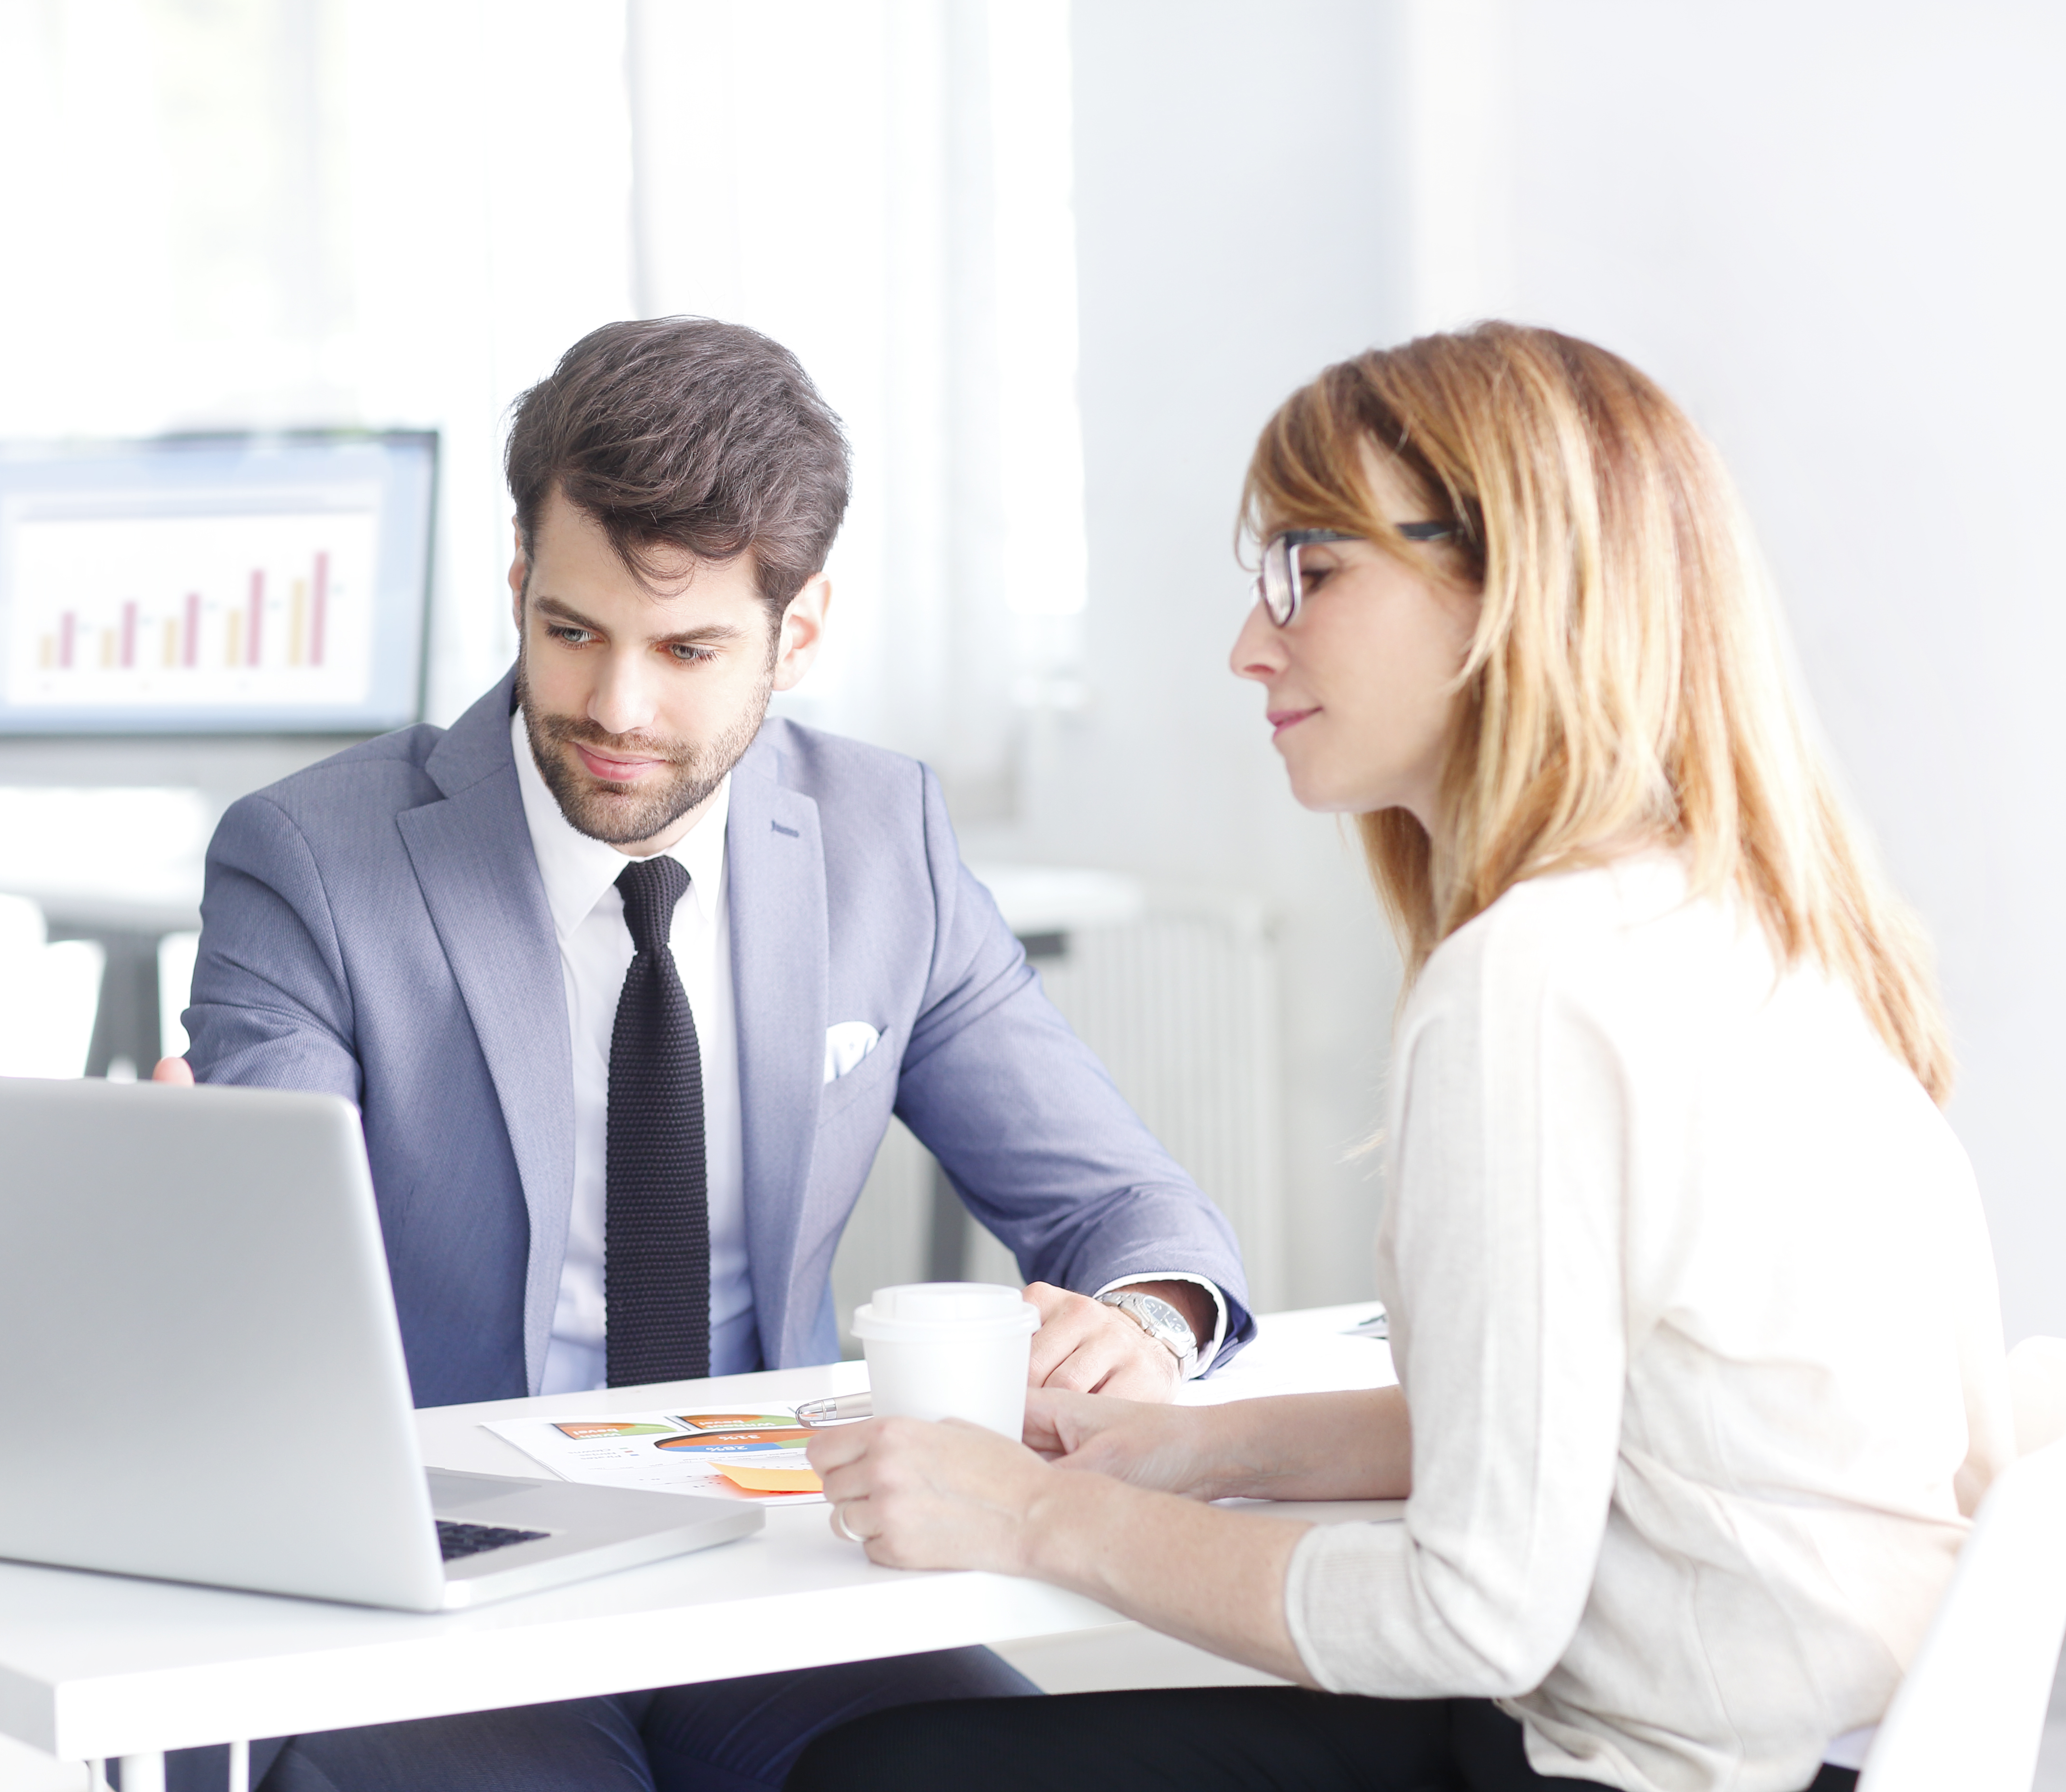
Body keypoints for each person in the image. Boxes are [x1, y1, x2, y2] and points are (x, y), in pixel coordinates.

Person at [789, 323, 2015, 1792]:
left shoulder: (1534, 982)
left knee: (888, 1775)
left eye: (1313, 569)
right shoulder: (1757, 923)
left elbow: (1473, 1611)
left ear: (1507, 588)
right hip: (1820, 1743)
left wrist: (1037, 1518)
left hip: (1656, 1769)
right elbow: (1568, 1431)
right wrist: (1183, 1453)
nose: (1253, 643)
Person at [152, 316, 1257, 1791]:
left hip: (773, 1569)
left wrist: (1151, 1315)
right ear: (517, 588)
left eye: (687, 651)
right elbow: (273, 1277)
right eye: (572, 631)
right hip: (438, 1586)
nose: (616, 709)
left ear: (795, 637)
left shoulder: (883, 846)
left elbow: (1129, 1210)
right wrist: (198, 1217)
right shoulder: (313, 860)